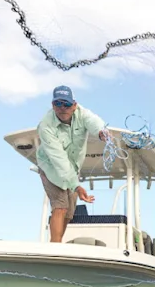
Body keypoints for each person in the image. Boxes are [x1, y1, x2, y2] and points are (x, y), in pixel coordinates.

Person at [36, 85, 110, 242]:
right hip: (51, 167)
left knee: (69, 212)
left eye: (67, 104)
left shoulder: (81, 113)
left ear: (74, 105)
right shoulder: (45, 125)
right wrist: (76, 186)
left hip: (73, 168)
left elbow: (93, 121)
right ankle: (54, 248)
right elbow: (59, 160)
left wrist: (101, 131)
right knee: (60, 205)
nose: (62, 108)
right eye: (58, 104)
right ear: (52, 105)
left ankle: (59, 243)